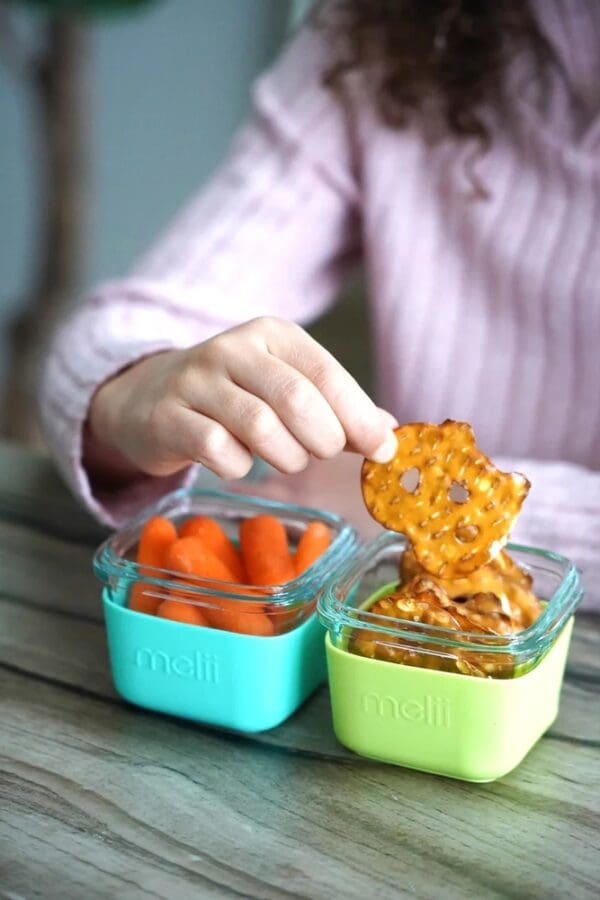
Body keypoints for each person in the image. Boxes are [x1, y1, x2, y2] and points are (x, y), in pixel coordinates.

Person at [40, 1, 600, 609]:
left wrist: (436, 511)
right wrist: (136, 389)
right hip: (393, 602)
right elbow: (112, 331)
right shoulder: (379, 35)